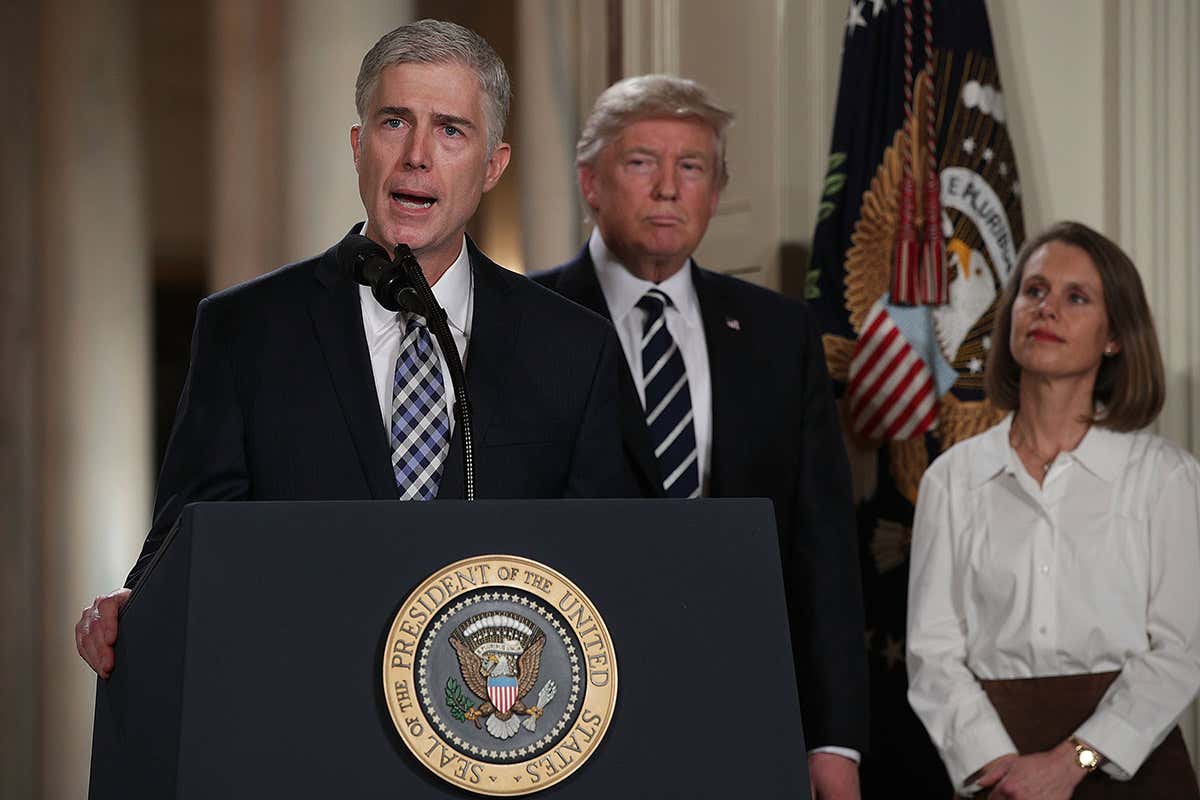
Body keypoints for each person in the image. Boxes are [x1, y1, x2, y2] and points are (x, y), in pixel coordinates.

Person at [76, 19, 634, 678]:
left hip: (493, 724)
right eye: (394, 123)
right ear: (357, 146)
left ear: (493, 166)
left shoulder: (573, 346)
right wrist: (132, 604)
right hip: (305, 714)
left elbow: (614, 565)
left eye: (451, 130)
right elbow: (187, 541)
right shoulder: (245, 331)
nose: (416, 155)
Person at [532, 75, 868, 800]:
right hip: (567, 698)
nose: (667, 189)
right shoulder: (522, 322)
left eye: (692, 168)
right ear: (591, 182)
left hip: (742, 697)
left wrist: (834, 739)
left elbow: (823, 547)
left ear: (715, 192)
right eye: (641, 162)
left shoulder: (780, 334)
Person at [906, 221, 1200, 798]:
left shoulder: (1165, 477)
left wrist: (1072, 762)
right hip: (998, 772)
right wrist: (999, 766)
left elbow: (1180, 652)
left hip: (1131, 769)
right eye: (1034, 291)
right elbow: (932, 654)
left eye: (1076, 297)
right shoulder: (951, 479)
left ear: (1114, 336)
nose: (1046, 310)